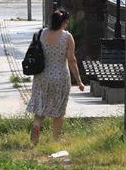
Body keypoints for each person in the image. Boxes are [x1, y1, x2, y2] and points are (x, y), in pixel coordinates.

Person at [26, 10, 84, 145]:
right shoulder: (67, 37)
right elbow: (72, 60)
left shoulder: (40, 34)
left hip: (42, 76)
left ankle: (36, 125)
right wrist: (79, 81)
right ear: (63, 23)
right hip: (60, 77)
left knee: (41, 104)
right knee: (59, 110)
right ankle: (55, 140)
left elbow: (31, 51)